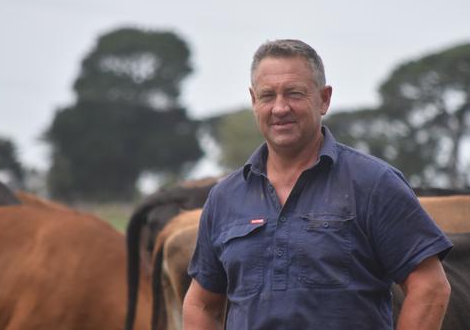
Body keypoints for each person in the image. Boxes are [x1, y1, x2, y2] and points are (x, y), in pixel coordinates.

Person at [183, 39, 452, 329]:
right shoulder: (225, 197)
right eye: (267, 96)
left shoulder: (374, 184)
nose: (280, 107)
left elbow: (430, 288)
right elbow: (201, 304)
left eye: (294, 93)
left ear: (324, 99)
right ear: (253, 101)